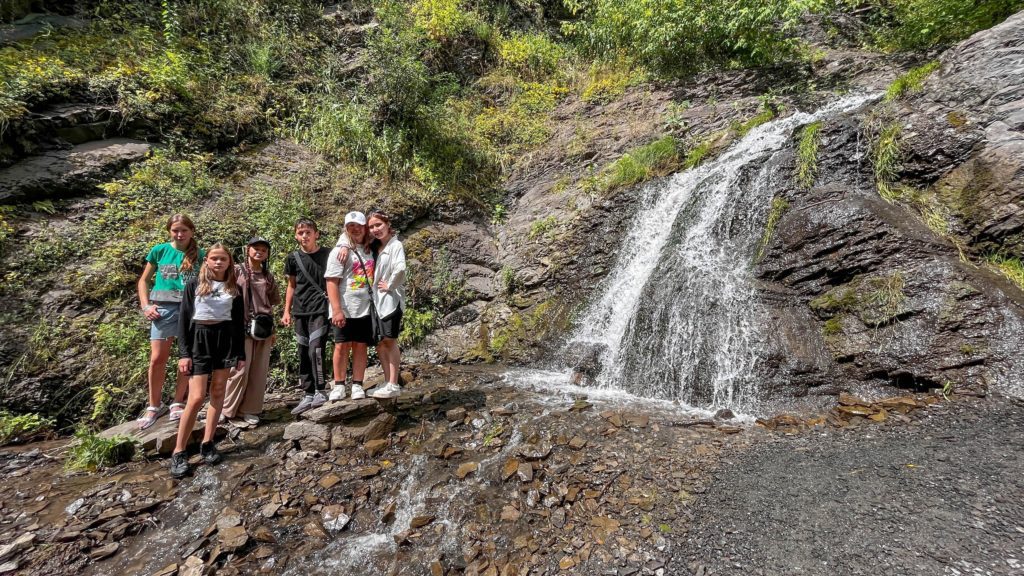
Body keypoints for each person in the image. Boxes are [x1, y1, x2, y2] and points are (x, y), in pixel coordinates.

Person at [169, 244, 245, 479]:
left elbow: (237, 323)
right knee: (196, 396)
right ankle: (179, 451)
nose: (218, 262)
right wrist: (184, 353)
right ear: (207, 261)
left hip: (224, 340)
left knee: (219, 391)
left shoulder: (233, 288)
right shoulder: (194, 285)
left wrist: (240, 354)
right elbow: (183, 320)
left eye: (223, 259)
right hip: (199, 339)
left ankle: (208, 443)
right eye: (214, 258)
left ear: (229, 262)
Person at [135, 214, 203, 430]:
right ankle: (153, 406)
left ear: (191, 231)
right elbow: (144, 281)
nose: (180, 234)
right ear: (169, 231)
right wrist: (146, 306)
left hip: (191, 310)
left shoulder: (200, 255)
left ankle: (177, 402)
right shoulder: (160, 250)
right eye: (175, 230)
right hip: (163, 310)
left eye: (184, 230)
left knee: (187, 357)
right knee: (157, 358)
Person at [222, 237, 281, 426]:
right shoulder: (236, 270)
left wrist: (273, 330)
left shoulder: (267, 276)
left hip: (263, 327)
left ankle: (250, 409)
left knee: (259, 370)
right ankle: (227, 409)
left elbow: (272, 302)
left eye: (264, 250)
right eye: (256, 248)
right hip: (240, 327)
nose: (259, 252)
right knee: (239, 370)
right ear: (248, 249)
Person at [325, 212, 375, 401]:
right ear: (346, 228)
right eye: (351, 225)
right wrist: (337, 310)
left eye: (359, 225)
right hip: (345, 307)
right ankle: (338, 385)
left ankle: (357, 384)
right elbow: (331, 282)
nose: (355, 228)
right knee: (341, 345)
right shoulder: (339, 251)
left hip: (366, 307)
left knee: (361, 346)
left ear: (365, 227)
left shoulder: (371, 248)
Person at [283, 218, 331, 414]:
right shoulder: (293, 258)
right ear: (296, 236)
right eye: (300, 233)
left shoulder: (328, 254)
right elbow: (291, 285)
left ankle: (321, 389)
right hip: (300, 310)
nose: (305, 236)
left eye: (308, 232)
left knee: (316, 350)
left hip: (320, 308)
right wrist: (286, 311)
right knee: (303, 352)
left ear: (316, 234)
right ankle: (308, 393)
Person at [367, 211, 406, 399]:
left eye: (378, 225)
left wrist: (389, 285)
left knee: (389, 341)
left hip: (391, 301)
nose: (375, 229)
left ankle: (394, 384)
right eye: (372, 227)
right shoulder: (374, 247)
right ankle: (387, 381)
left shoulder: (395, 245)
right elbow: (350, 236)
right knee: (380, 343)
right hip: (376, 303)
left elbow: (400, 268)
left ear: (387, 224)